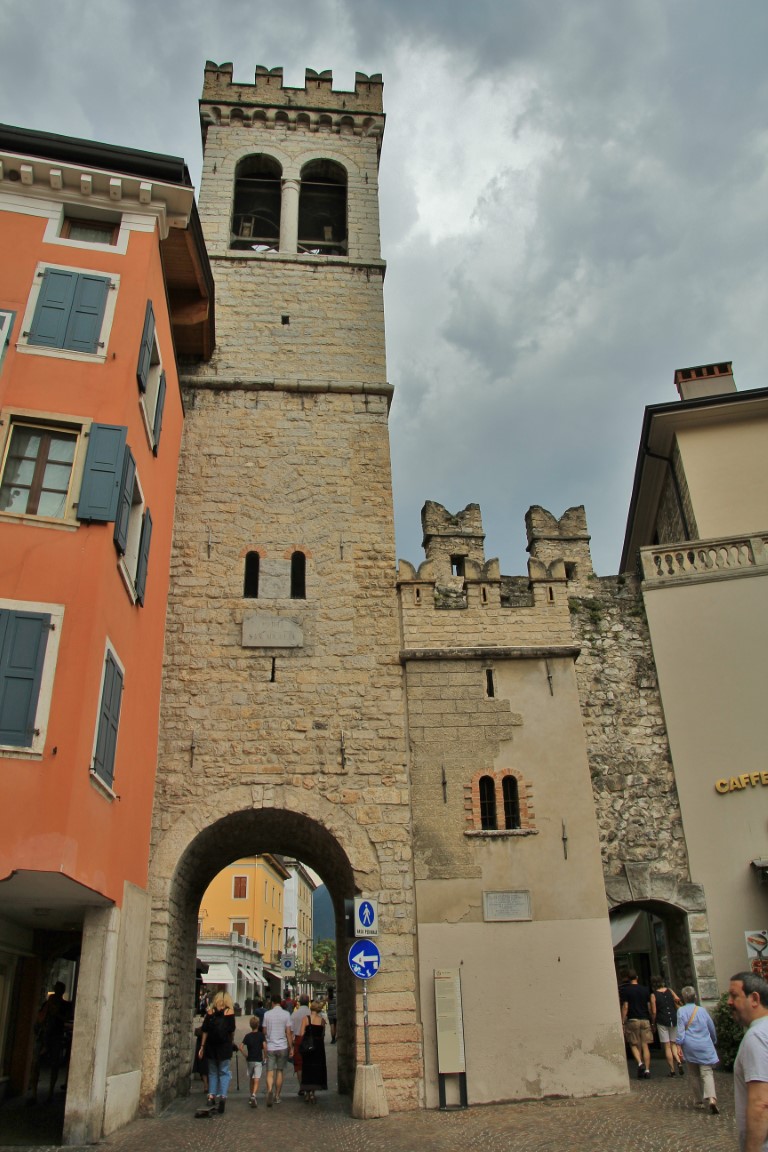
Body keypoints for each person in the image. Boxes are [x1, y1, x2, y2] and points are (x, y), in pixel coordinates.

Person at [729, 970, 768, 1151]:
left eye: (734, 996)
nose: (729, 1002)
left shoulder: (756, 1037)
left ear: (754, 999)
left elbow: (760, 1102)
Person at [675, 986, 719, 1114]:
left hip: (690, 1046)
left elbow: (680, 1031)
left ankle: (699, 1101)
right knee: (707, 1072)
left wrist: (679, 1045)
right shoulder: (702, 1011)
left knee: (694, 1074)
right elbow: (711, 1027)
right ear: (695, 997)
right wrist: (714, 1040)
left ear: (683, 998)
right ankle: (711, 1099)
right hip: (704, 1045)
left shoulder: (681, 1011)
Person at [29, 981, 73, 1103]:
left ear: (62, 992)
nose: (56, 992)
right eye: (55, 989)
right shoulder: (47, 1004)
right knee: (35, 1064)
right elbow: (39, 1018)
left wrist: (57, 1013)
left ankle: (50, 1093)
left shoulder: (65, 1005)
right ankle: (34, 1094)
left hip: (56, 1037)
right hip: (42, 1036)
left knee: (54, 1065)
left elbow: (68, 1018)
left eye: (58, 990)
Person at [198, 991, 236, 1113]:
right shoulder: (229, 1012)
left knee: (212, 1072)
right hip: (224, 1047)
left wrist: (202, 1046)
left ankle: (211, 1095)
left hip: (211, 1047)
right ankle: (223, 1096)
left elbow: (205, 1030)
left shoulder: (210, 1012)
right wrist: (231, 1042)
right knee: (224, 1072)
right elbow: (232, 1030)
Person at [619, 969, 653, 1078]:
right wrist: (651, 1018)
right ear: (637, 977)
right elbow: (649, 1005)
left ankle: (640, 1063)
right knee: (645, 1045)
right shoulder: (645, 990)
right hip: (644, 1019)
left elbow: (625, 1006)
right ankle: (647, 1070)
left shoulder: (626, 991)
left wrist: (622, 1020)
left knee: (633, 1043)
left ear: (628, 979)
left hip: (633, 1019)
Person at [262, 992, 294, 1106]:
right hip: (282, 1046)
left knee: (269, 1072)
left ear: (272, 1002)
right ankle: (277, 1096)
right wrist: (291, 1047)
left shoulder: (267, 1014)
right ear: (280, 1002)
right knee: (279, 1071)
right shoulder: (286, 1014)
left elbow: (264, 1031)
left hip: (270, 1046)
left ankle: (269, 1090)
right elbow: (288, 1032)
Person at [650, 976, 684, 1076]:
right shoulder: (670, 990)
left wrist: (653, 1022)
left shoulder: (653, 995)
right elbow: (677, 999)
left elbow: (654, 1011)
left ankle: (672, 1070)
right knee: (673, 1043)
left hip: (662, 1020)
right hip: (673, 1019)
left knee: (667, 1046)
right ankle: (678, 1061)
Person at [296, 1000, 328, 1104]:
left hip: (308, 1047)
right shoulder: (322, 1020)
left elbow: (301, 1033)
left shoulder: (306, 1019)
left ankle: (307, 1093)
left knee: (307, 1068)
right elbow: (323, 1035)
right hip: (318, 1047)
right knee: (316, 1069)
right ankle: (313, 1093)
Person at [240, 1016, 266, 1107]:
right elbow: (265, 1046)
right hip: (258, 1059)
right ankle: (254, 1095)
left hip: (250, 1059)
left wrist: (245, 1055)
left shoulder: (247, 1036)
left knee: (251, 1078)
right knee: (257, 1078)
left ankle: (251, 1095)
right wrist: (265, 1056)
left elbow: (241, 1047)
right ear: (258, 1025)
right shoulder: (261, 1035)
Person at [290, 995, 311, 1093]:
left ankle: (301, 1086)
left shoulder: (294, 1014)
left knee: (299, 1064)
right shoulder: (311, 1013)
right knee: (309, 1063)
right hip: (309, 1039)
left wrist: (290, 1046)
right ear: (308, 1002)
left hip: (298, 1039)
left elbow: (291, 1030)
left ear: (300, 1002)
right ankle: (309, 1086)